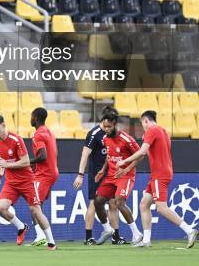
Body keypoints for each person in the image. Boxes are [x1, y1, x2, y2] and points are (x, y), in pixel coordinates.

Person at [117, 110, 198, 249]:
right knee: (144, 205)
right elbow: (152, 152)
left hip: (160, 174)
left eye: (142, 123)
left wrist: (124, 162)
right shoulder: (163, 131)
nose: (143, 126)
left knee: (161, 208)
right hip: (161, 173)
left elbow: (142, 152)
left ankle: (189, 230)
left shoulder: (151, 130)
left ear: (145, 121)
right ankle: (146, 240)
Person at [0, 114, 56, 251]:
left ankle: (51, 242)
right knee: (1, 208)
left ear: (3, 125)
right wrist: (2, 170)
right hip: (11, 183)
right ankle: (21, 227)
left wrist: (7, 165)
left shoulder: (16, 140)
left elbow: (26, 161)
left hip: (27, 181)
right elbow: (3, 159)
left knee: (36, 211)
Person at [73, 106, 125, 245]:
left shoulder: (113, 133)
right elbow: (85, 154)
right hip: (97, 174)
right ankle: (89, 237)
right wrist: (80, 174)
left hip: (111, 174)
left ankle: (116, 236)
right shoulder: (94, 133)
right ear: (105, 119)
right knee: (93, 203)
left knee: (113, 203)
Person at [93, 110, 143, 246]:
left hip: (125, 175)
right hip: (110, 175)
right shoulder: (105, 138)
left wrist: (126, 169)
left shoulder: (127, 139)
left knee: (119, 202)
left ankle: (137, 233)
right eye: (104, 127)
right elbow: (108, 156)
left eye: (108, 127)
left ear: (115, 125)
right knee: (97, 201)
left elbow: (140, 155)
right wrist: (102, 170)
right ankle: (107, 229)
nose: (106, 129)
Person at [29, 107, 59, 246]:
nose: (30, 118)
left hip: (44, 174)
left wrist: (26, 162)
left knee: (33, 203)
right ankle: (41, 235)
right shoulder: (49, 132)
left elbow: (42, 156)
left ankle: (42, 236)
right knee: (36, 203)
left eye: (31, 116)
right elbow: (55, 153)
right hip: (51, 171)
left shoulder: (37, 135)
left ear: (35, 117)